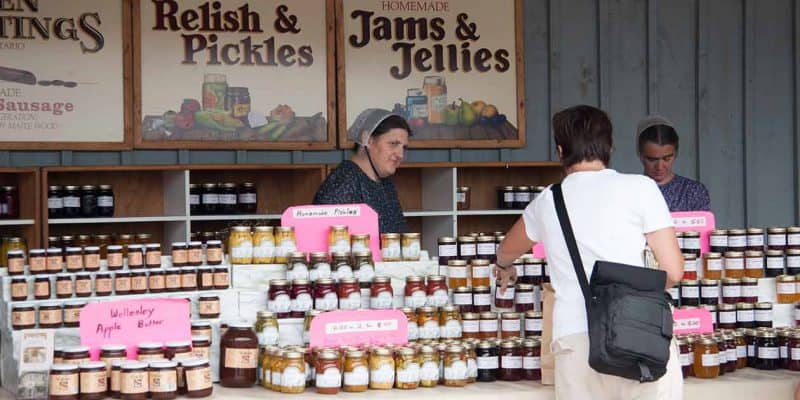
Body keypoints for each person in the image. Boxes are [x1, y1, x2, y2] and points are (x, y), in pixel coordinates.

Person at [494, 105, 684, 399]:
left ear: (560, 151)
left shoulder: (548, 201)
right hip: (641, 336)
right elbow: (672, 273)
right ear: (609, 146)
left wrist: (504, 267)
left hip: (576, 341)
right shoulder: (641, 188)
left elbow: (506, 251)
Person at [313, 108, 410, 233]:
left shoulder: (385, 183)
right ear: (367, 139)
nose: (400, 154)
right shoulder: (343, 182)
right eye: (393, 144)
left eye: (404, 147)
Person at [637, 115, 711, 211]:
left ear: (676, 153)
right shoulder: (631, 191)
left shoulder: (692, 191)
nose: (659, 167)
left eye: (667, 159)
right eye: (652, 159)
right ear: (640, 154)